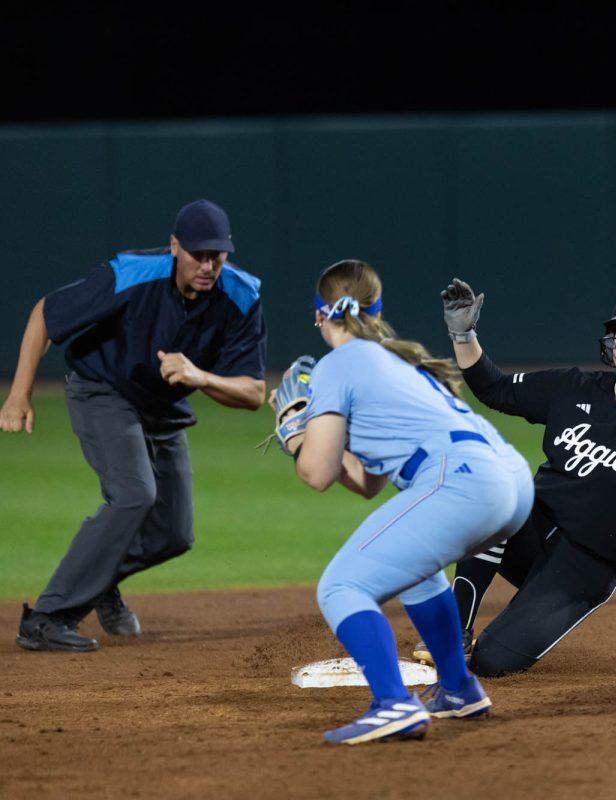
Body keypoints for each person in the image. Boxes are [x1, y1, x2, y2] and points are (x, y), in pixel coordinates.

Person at [281, 259, 530, 745]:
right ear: (376, 311)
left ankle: (392, 704)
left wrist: (294, 429)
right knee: (417, 569)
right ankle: (457, 688)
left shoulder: (338, 364)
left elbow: (316, 473)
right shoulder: (398, 360)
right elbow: (367, 481)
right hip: (510, 482)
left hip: (460, 482)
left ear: (318, 315)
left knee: (342, 586)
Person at [2, 200, 267, 653]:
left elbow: (254, 393)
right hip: (103, 389)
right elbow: (46, 313)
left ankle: (99, 581)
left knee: (174, 534)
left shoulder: (241, 295)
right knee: (134, 494)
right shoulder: (132, 273)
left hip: (163, 408)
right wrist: (18, 394)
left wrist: (201, 377)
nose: (207, 265)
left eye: (216, 256)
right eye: (197, 253)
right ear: (174, 246)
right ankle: (48, 617)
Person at [425, 278, 616, 677]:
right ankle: (452, 631)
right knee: (494, 489)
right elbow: (493, 389)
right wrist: (463, 333)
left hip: (584, 568)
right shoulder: (573, 387)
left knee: (492, 662)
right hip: (528, 535)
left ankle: (506, 631)